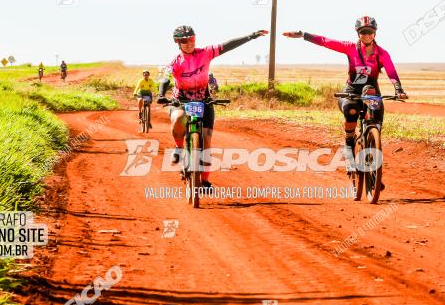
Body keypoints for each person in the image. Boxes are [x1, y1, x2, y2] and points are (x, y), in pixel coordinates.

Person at [283, 16, 407, 188]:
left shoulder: (382, 53)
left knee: (376, 121)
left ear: (375, 33)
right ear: (358, 34)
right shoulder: (349, 48)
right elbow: (326, 42)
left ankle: (374, 170)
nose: (366, 35)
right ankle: (349, 153)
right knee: (351, 111)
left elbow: (391, 71)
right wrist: (304, 35)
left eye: (369, 32)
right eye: (363, 32)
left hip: (371, 90)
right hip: (351, 90)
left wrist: (398, 89)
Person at [168, 24, 268, 189]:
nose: (189, 43)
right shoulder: (176, 62)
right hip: (182, 101)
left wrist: (251, 36)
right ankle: (178, 148)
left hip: (204, 101)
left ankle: (205, 181)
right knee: (178, 118)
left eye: (192, 38)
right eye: (185, 40)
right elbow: (165, 77)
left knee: (206, 142)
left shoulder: (205, 53)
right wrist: (161, 92)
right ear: (177, 42)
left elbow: (227, 46)